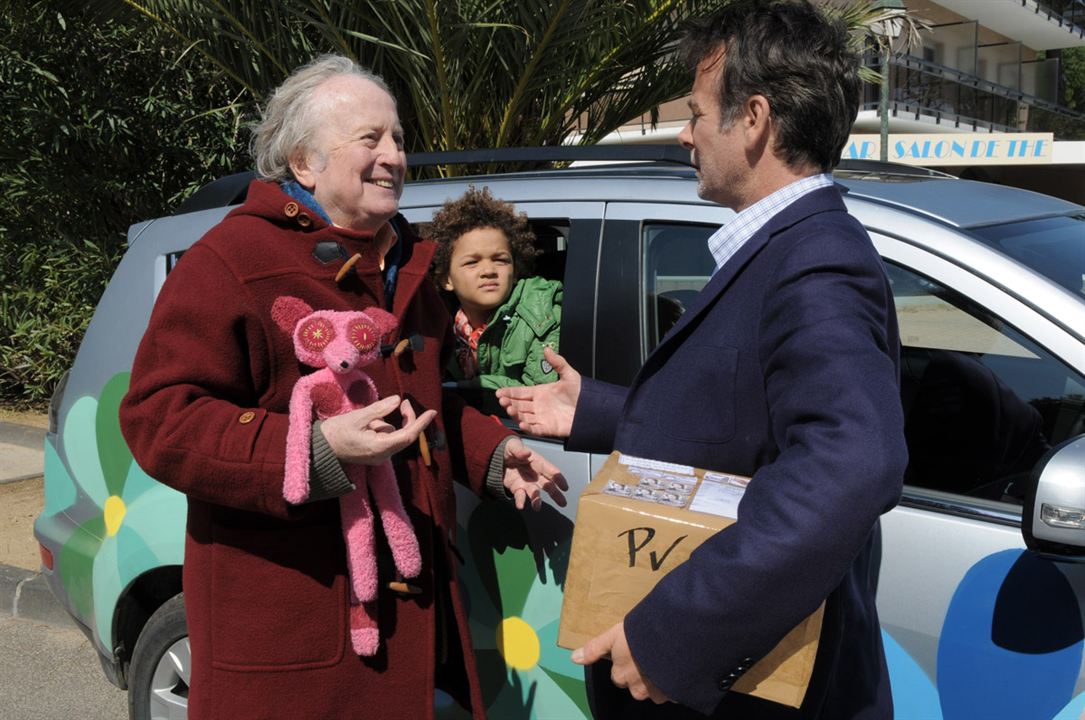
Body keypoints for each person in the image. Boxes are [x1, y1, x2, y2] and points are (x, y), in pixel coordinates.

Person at [119, 55, 566, 720]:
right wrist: (315, 447)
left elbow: (419, 403)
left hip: (411, 624)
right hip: (294, 635)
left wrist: (492, 455)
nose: (394, 156)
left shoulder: (410, 261)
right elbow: (159, 419)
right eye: (370, 139)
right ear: (304, 162)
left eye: (398, 139)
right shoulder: (229, 261)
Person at [497, 1, 907, 718]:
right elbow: (747, 421)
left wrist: (675, 633)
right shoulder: (787, 249)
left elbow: (850, 463)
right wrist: (600, 409)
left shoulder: (814, 262)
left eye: (694, 112)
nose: (683, 134)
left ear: (752, 120)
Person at [429, 185, 562, 390]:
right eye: (472, 262)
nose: (488, 271)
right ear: (446, 279)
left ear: (515, 269)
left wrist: (463, 388)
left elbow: (538, 395)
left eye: (500, 260)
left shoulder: (542, 314)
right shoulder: (437, 327)